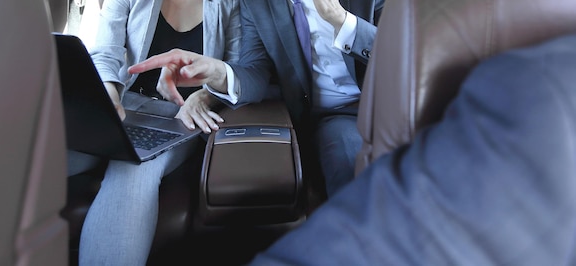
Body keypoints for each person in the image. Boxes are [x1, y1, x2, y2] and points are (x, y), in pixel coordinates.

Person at [129, 0, 392, 198]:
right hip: (332, 120)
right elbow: (254, 70)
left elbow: (403, 58)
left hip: (389, 106)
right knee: (352, 165)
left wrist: (338, 17)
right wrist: (216, 72)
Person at [246, 33, 576, 265]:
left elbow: (398, 53)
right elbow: (254, 71)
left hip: (367, 104)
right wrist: (218, 81)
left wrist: (341, 19)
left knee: (348, 154)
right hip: (315, 114)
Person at [78, 0, 241, 265]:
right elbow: (106, 52)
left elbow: (235, 70)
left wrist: (206, 95)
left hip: (177, 117)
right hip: (119, 106)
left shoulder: (232, 1)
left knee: (134, 169)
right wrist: (110, 96)